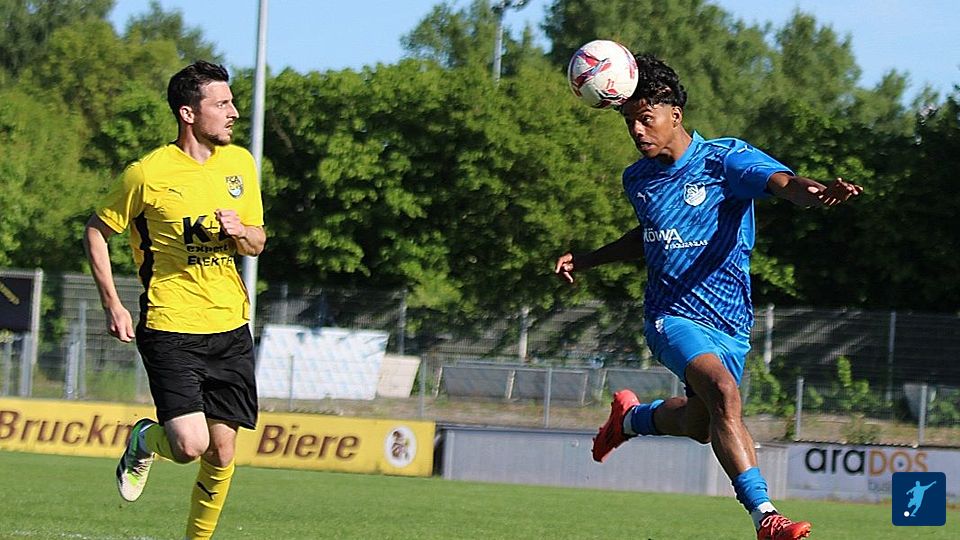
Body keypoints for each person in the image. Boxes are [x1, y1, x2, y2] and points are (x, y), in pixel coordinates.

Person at [554, 54, 861, 540]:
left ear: (674, 113)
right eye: (629, 120)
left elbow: (783, 184)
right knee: (724, 393)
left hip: (730, 324)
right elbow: (649, 237)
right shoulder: (638, 179)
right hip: (670, 317)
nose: (636, 130)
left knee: (703, 424)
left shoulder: (724, 160)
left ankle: (630, 420)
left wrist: (816, 192)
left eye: (645, 118)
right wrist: (587, 260)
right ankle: (766, 517)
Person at [83, 60, 265, 539]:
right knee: (189, 446)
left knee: (222, 452)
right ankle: (145, 438)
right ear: (188, 113)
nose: (234, 112)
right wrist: (112, 303)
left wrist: (241, 231)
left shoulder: (240, 164)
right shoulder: (148, 173)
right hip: (171, 326)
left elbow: (257, 242)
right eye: (222, 104)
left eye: (232, 102)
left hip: (230, 327)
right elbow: (97, 231)